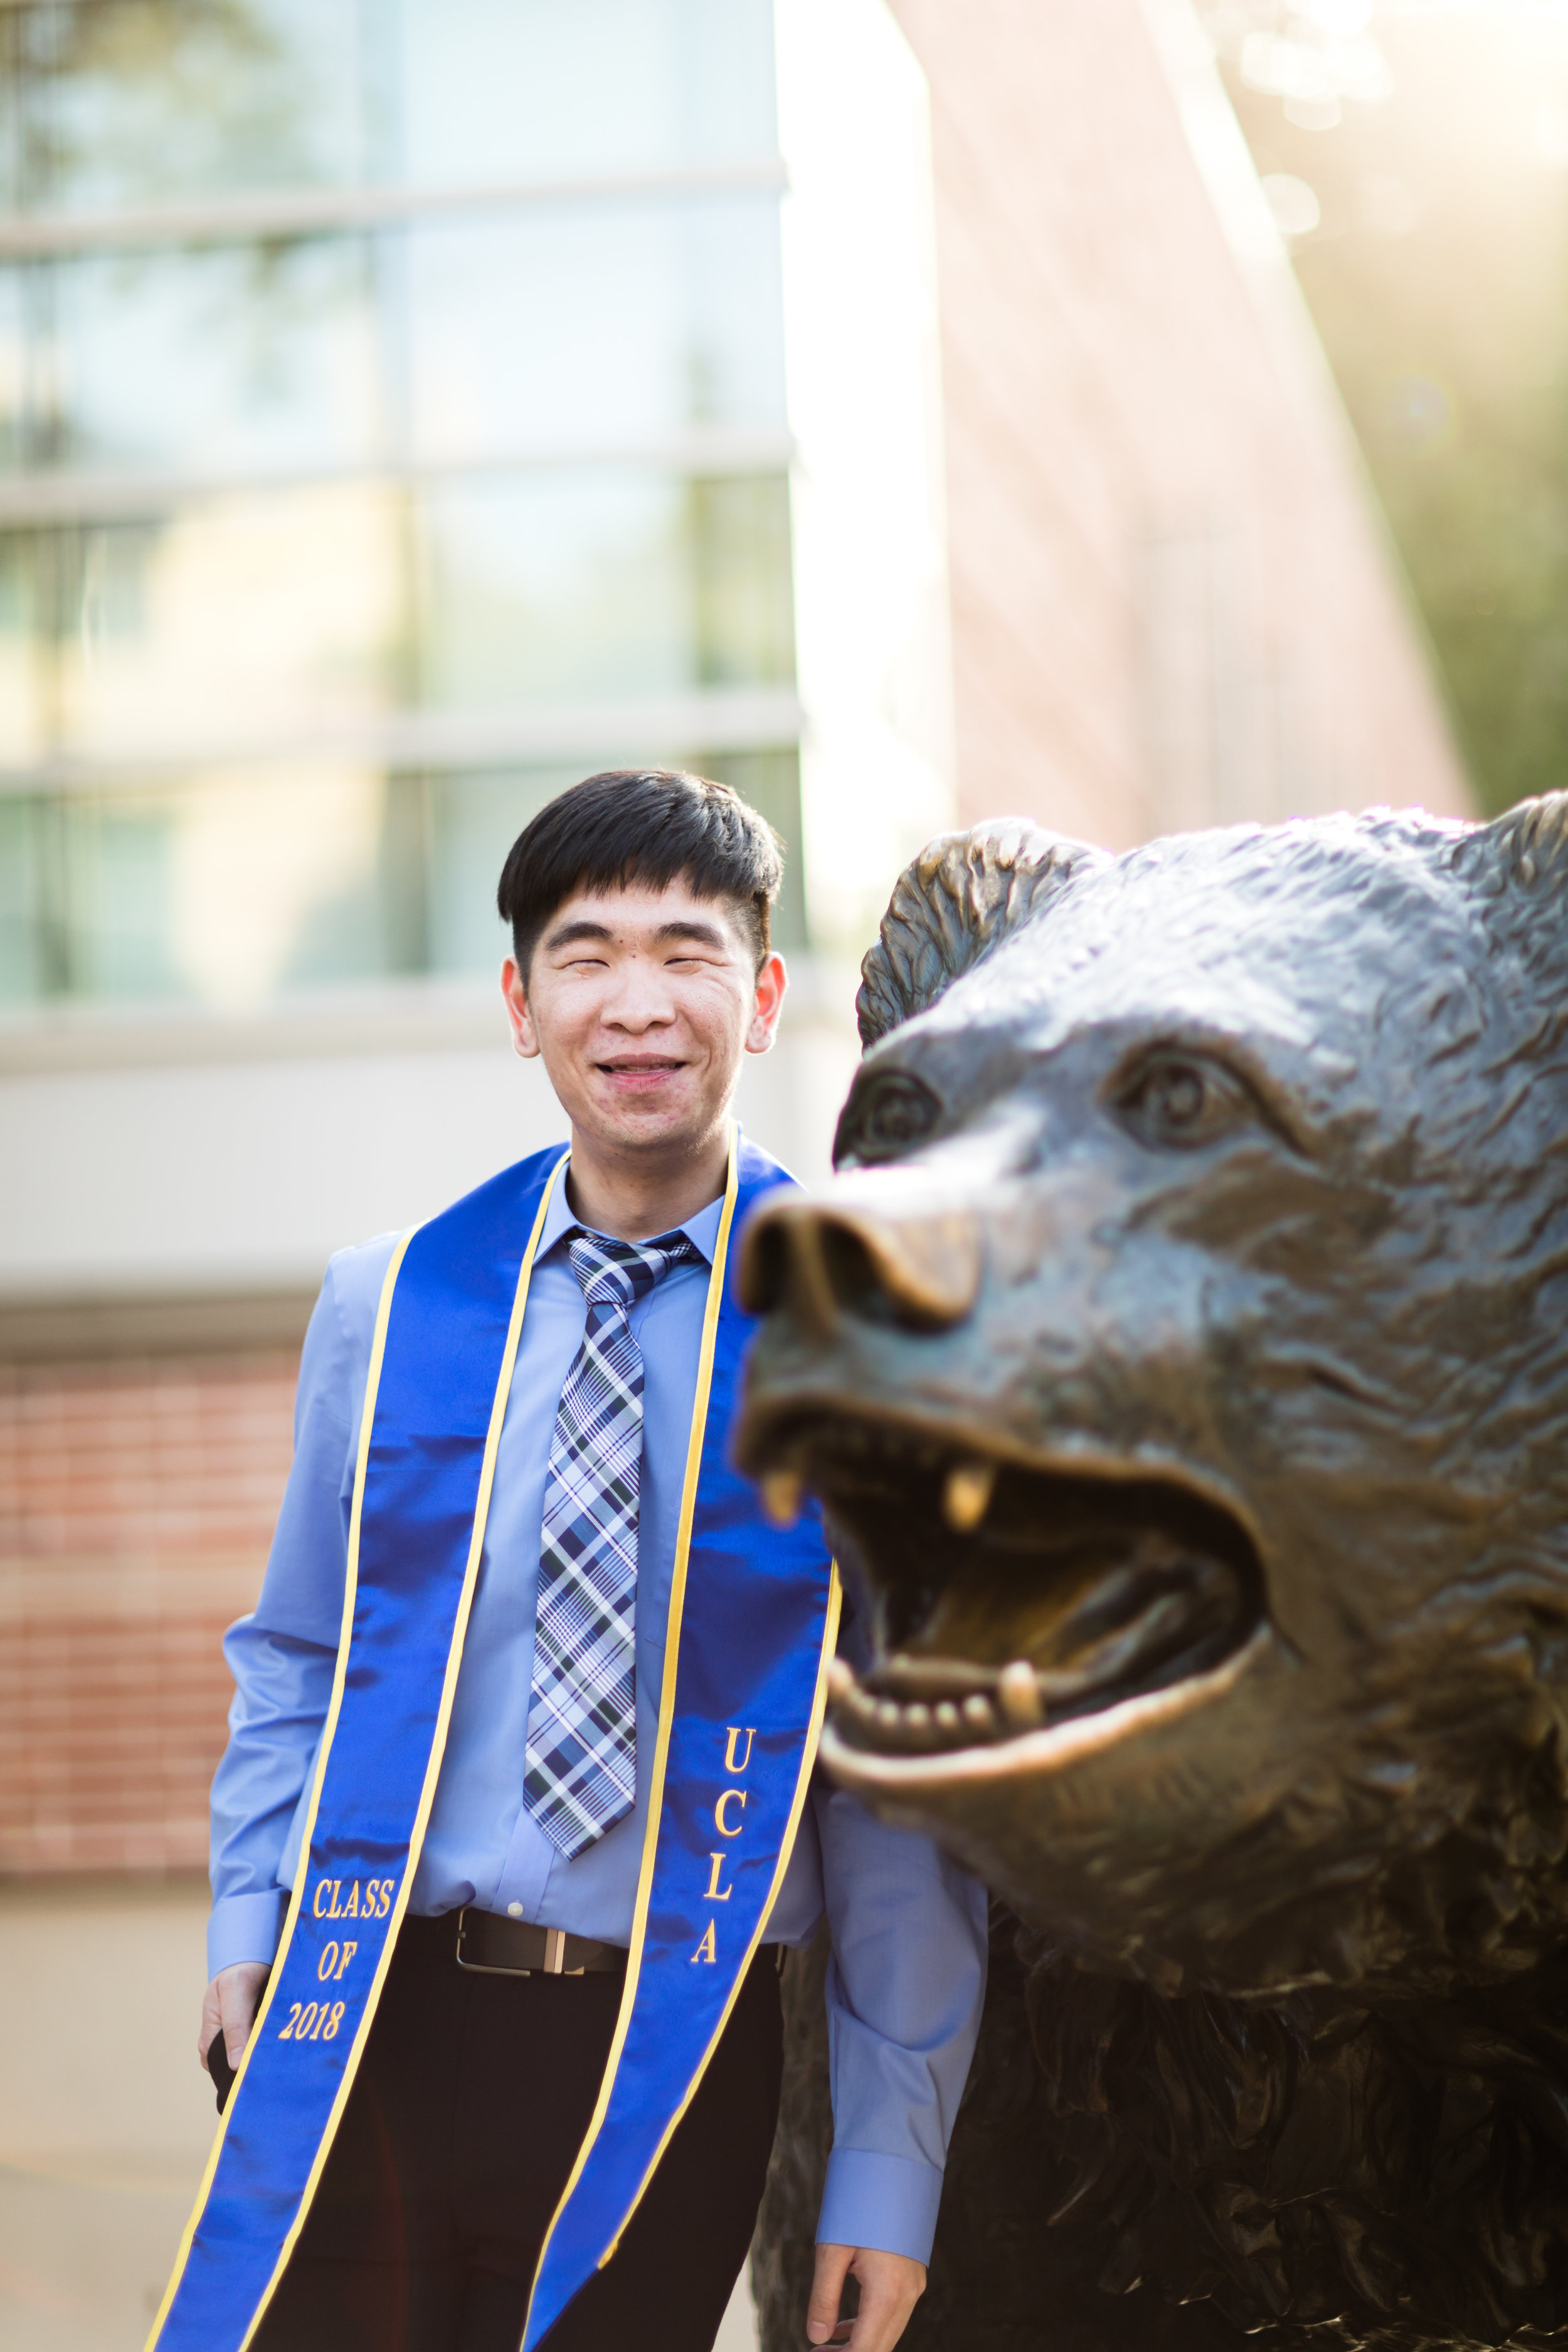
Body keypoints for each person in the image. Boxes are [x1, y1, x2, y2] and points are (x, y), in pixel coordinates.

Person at [159, 770, 987, 2352]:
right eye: (586, 954)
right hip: (371, 2008)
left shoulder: (864, 1343)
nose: (636, 1004)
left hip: (668, 2045)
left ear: (760, 994)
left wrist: (885, 2168)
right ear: (518, 1003)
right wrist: (249, 1924)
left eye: (685, 952)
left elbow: (893, 1782)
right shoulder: (391, 1305)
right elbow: (298, 1656)